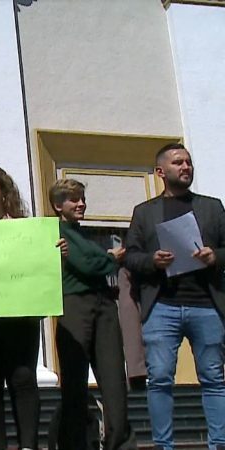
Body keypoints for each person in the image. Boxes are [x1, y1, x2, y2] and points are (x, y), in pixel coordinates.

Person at [124, 143, 225, 450]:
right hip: (162, 306)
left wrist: (215, 257)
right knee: (160, 379)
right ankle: (164, 446)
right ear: (160, 171)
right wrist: (152, 260)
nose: (185, 167)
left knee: (214, 378)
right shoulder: (144, 212)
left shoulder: (212, 207)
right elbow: (131, 256)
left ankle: (219, 444)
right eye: (178, 162)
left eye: (188, 162)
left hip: (206, 305)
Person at [0, 165, 66, 450]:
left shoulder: (28, 230)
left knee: (23, 381)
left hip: (21, 322)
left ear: (4, 192)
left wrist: (57, 254)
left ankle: (28, 446)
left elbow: (42, 271)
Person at [49, 178, 136, 450]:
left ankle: (120, 443)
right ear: (58, 205)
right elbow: (85, 264)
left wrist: (103, 259)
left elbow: (89, 261)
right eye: (74, 199)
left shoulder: (83, 235)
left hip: (105, 304)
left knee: (114, 379)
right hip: (75, 305)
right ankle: (73, 444)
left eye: (83, 199)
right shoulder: (54, 231)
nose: (81, 204)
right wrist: (109, 258)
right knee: (75, 381)